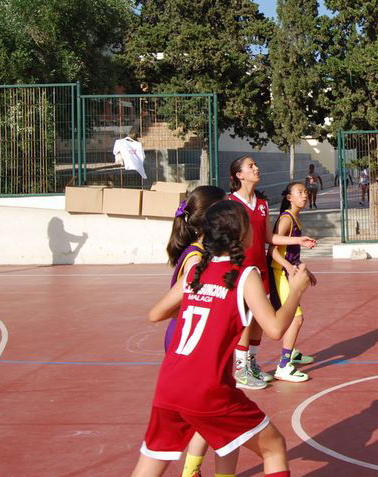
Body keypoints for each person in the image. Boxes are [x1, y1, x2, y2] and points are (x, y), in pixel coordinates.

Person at [130, 200, 313, 477]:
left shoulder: (195, 271)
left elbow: (155, 314)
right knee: (274, 446)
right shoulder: (244, 275)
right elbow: (275, 329)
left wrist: (201, 302)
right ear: (241, 233)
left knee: (152, 462)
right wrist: (296, 290)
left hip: (170, 383)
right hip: (207, 388)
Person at [228, 156, 316, 389]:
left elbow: (270, 238)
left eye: (256, 164)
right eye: (250, 166)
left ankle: (253, 363)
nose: (256, 168)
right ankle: (240, 369)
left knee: (258, 318)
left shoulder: (262, 203)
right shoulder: (230, 203)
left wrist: (299, 239)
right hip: (241, 270)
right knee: (245, 320)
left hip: (260, 268)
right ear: (239, 175)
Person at [163, 185, 227, 477]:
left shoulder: (199, 252)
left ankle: (191, 470)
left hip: (187, 337)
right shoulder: (196, 259)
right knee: (214, 416)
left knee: (203, 415)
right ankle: (190, 471)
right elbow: (180, 305)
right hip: (190, 339)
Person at [267, 182, 318, 383]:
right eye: (299, 192)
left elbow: (289, 252)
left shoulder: (295, 218)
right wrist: (288, 268)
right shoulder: (286, 218)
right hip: (279, 273)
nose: (304, 195)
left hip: (287, 272)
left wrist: (306, 270)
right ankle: (283, 366)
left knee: (292, 316)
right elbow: (272, 248)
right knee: (296, 318)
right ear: (289, 197)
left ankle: (292, 351)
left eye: (305, 192)